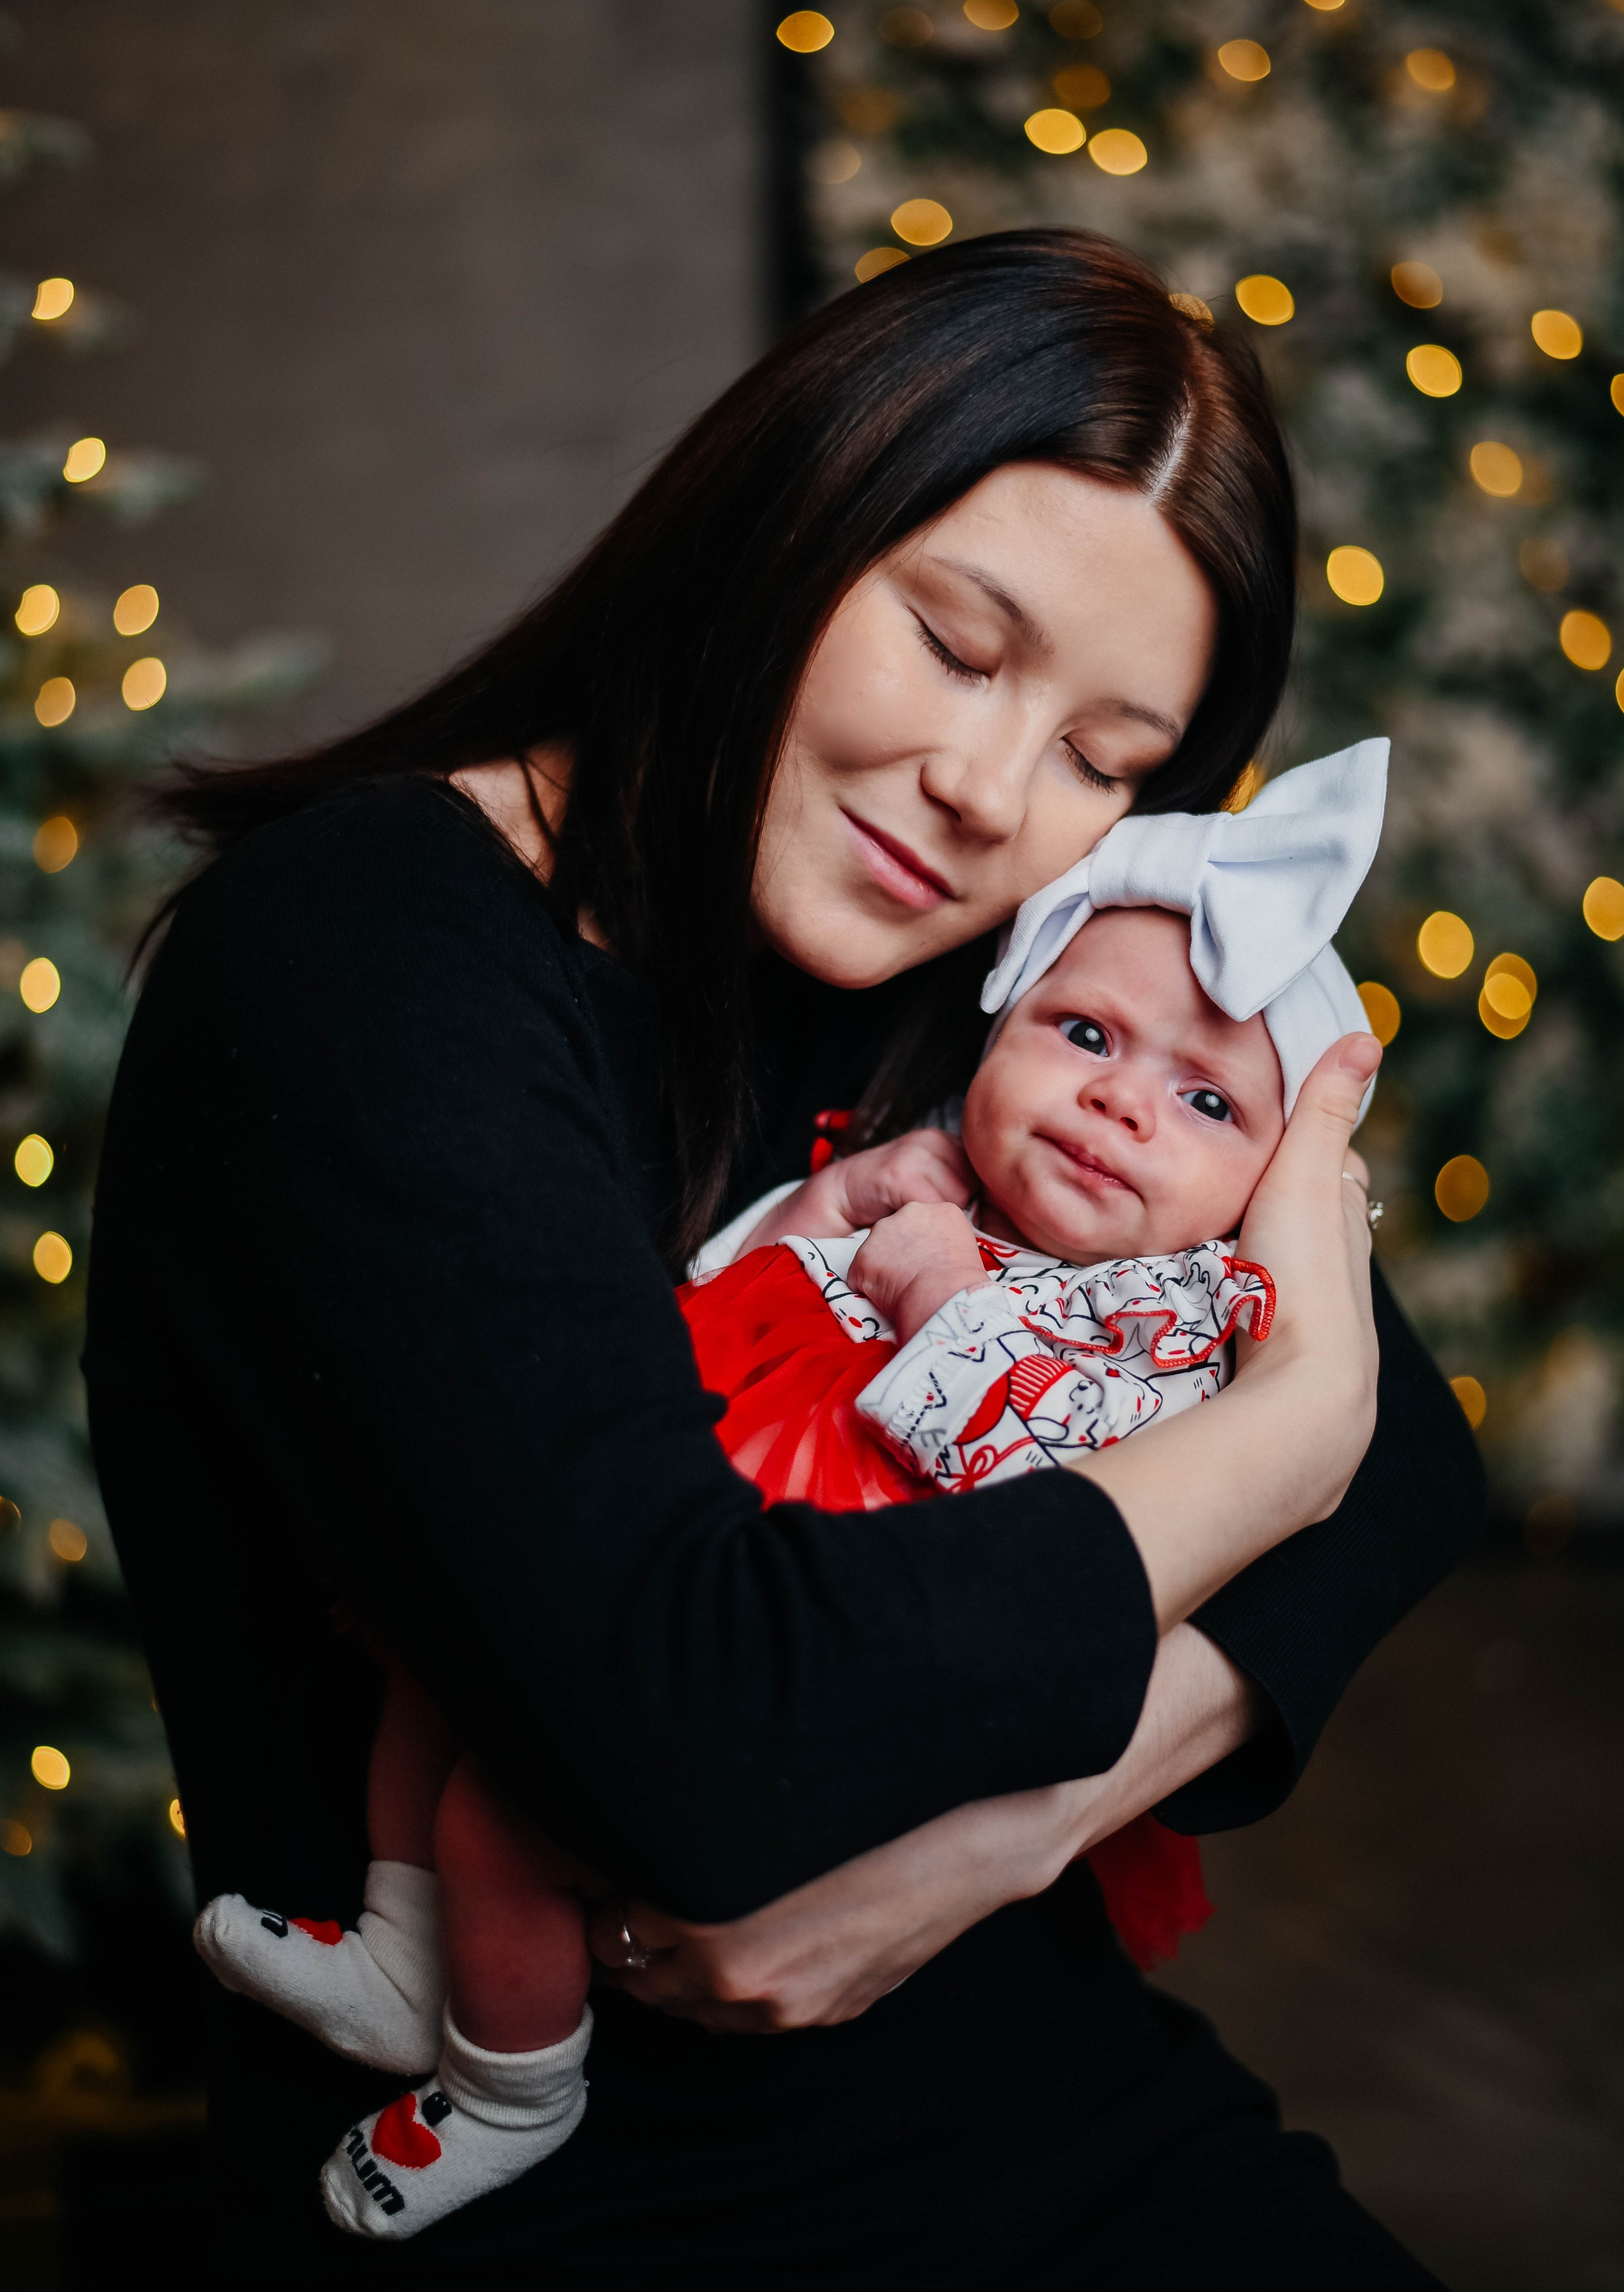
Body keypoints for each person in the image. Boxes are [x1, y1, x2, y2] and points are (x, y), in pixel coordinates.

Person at [86, 230, 1483, 2287]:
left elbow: (1420, 1454)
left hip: (1063, 2110)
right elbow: (703, 1742)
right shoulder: (365, 963)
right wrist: (1292, 1432)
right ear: (783, 523)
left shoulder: (970, 984)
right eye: (954, 641)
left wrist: (1025, 1823)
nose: (993, 796)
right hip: (566, 2202)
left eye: (1109, 760)